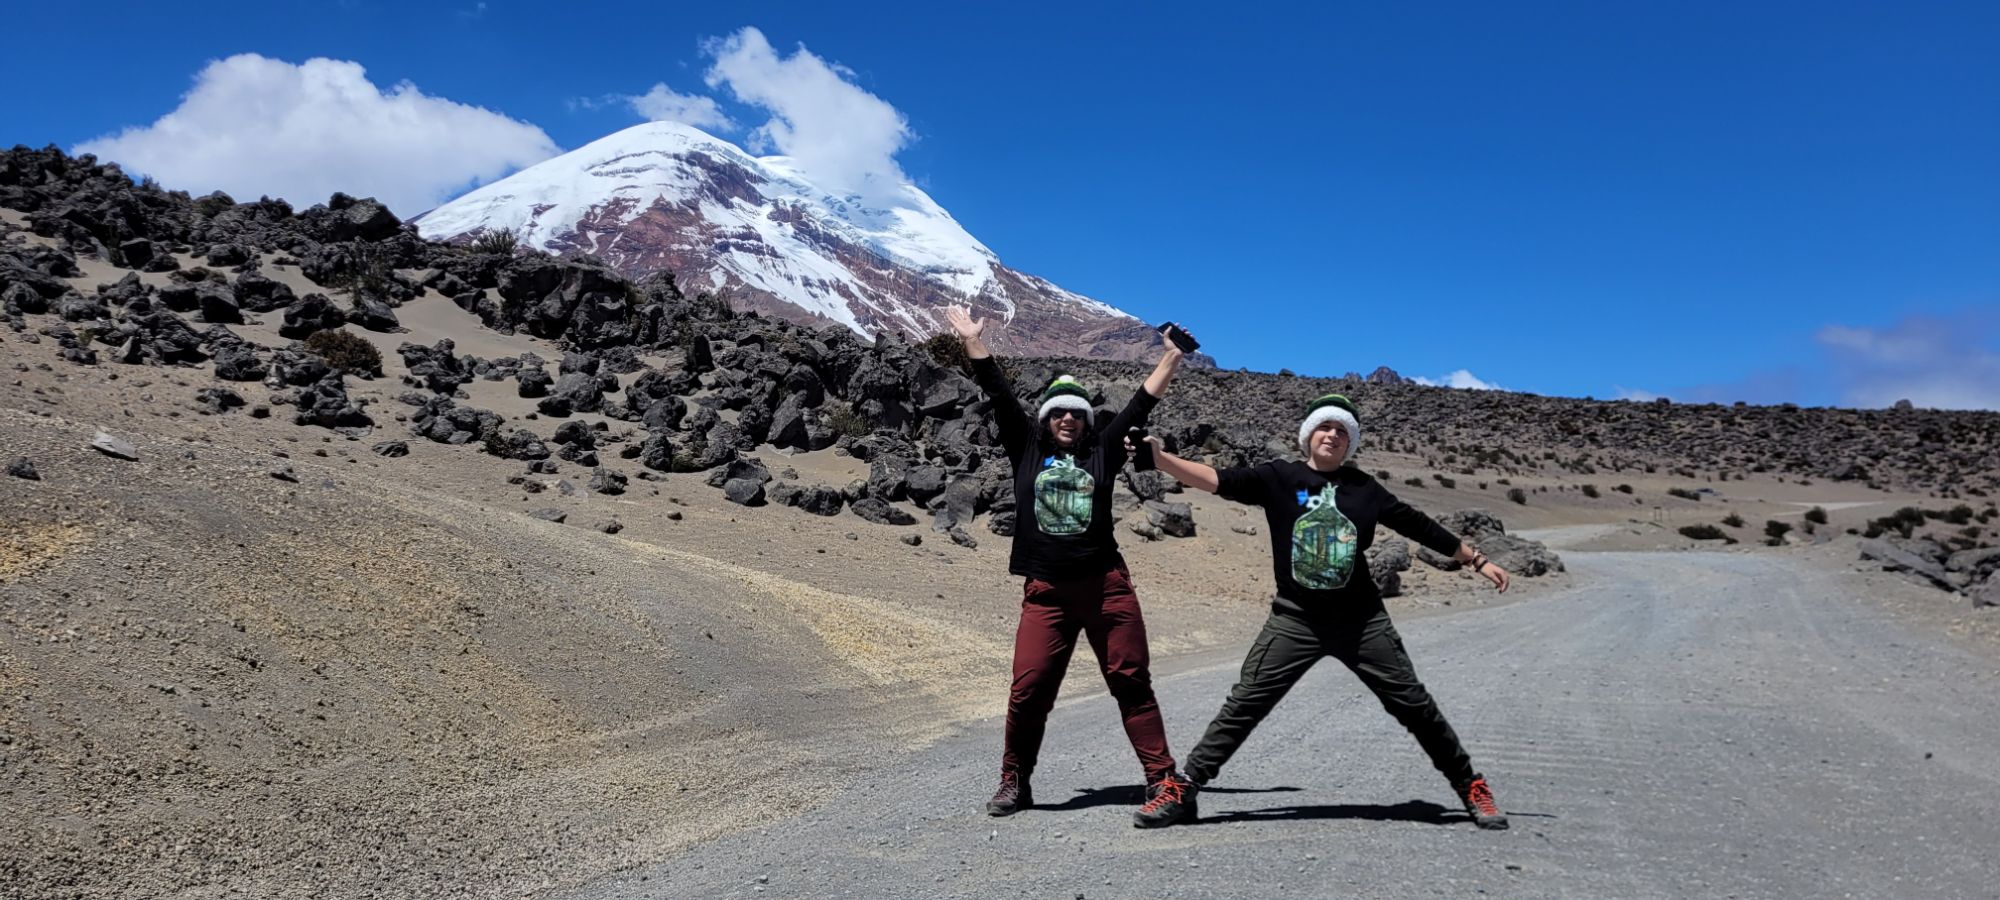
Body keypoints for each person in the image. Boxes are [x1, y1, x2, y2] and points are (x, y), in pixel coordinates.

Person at [1126, 392, 1513, 829]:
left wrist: (1476, 559)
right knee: (1245, 703)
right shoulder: (1279, 477)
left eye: (1342, 431)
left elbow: (1417, 524)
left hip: (1362, 622)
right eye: (1326, 427)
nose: (1333, 435)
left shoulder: (1364, 489)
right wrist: (1160, 459)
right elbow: (1217, 479)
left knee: (1413, 703)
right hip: (1296, 619)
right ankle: (1186, 788)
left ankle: (1470, 785)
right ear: (1309, 434)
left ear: (1351, 444)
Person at [945, 305, 1200, 828]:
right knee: (1029, 688)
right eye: (1059, 411)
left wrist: (1171, 356)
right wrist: (974, 341)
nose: (1068, 418)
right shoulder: (1027, 449)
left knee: (1130, 681)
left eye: (1077, 413)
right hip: (1047, 593)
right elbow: (998, 392)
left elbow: (1140, 403)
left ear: (1087, 420)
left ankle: (1165, 782)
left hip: (1107, 589)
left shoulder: (1103, 450)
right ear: (1045, 419)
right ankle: (1015, 778)